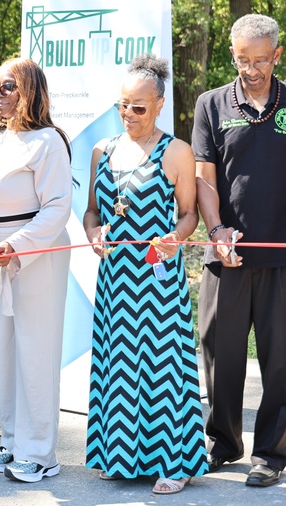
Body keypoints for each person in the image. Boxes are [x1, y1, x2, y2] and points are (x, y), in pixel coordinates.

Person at [193, 14, 286, 488]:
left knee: (282, 358)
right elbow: (203, 177)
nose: (251, 69)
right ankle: (224, 443)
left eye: (260, 60)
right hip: (227, 255)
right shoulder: (210, 104)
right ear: (233, 54)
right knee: (218, 352)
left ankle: (270, 454)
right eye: (242, 59)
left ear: (277, 55)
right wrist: (217, 230)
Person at [83, 55, 207, 495]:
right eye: (123, 106)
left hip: (156, 279)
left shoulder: (176, 151)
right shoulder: (103, 149)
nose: (129, 115)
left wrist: (175, 236)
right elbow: (93, 211)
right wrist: (94, 232)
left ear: (158, 104)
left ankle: (175, 463)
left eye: (139, 107)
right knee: (117, 366)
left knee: (163, 369)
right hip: (116, 281)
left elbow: (191, 214)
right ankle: (120, 456)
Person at [0, 58, 72, 483]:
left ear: (30, 90)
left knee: (35, 350)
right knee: (4, 350)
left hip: (34, 254)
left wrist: (17, 245)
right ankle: (12, 440)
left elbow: (58, 207)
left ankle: (40, 452)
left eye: (8, 87)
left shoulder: (48, 141)